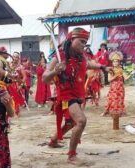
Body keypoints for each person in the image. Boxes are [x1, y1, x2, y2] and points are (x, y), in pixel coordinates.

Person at [42, 28, 112, 165]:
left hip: (78, 94)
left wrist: (102, 67)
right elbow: (45, 77)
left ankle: (53, 141)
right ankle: (71, 156)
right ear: (71, 40)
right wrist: (55, 71)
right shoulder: (59, 57)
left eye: (85, 42)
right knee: (81, 121)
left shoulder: (82, 57)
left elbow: (90, 64)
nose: (83, 45)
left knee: (70, 123)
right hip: (66, 96)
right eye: (81, 41)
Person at [102, 52, 132, 129]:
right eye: (114, 61)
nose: (115, 63)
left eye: (117, 61)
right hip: (114, 87)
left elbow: (125, 78)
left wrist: (130, 74)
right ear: (112, 62)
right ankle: (111, 112)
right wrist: (115, 76)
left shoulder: (121, 69)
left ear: (119, 62)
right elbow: (109, 80)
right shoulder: (110, 70)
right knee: (113, 99)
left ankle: (120, 112)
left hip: (120, 87)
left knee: (120, 99)